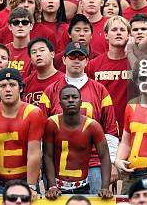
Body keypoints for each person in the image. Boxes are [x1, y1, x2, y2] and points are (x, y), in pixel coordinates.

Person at [39, 42, 119, 194]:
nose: (76, 60)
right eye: (72, 56)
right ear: (63, 60)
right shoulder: (51, 90)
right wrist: (41, 160)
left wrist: (113, 161)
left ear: (87, 61)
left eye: (81, 57)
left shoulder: (100, 90)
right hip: (60, 162)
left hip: (94, 161)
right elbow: (42, 130)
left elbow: (110, 129)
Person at [0, 68, 45, 198]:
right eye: (3, 85)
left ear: (20, 88)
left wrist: (31, 185)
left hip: (25, 181)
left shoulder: (33, 113)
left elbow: (34, 152)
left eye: (12, 85)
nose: (8, 89)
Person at [43, 84, 112, 198]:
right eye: (66, 98)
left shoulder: (93, 126)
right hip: (56, 188)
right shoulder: (52, 124)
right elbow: (47, 156)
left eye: (74, 97)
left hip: (82, 186)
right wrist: (52, 186)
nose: (70, 100)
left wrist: (105, 187)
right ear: (60, 103)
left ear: (81, 102)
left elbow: (104, 156)